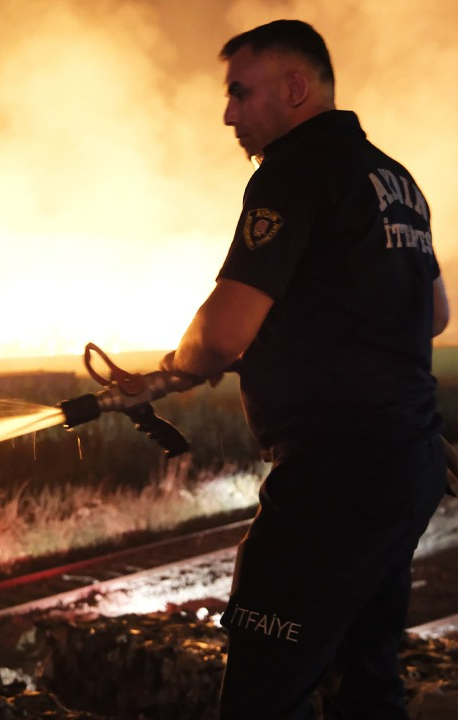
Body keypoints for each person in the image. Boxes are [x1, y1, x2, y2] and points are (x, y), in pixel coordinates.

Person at [158, 20, 448, 719]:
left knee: (265, 683)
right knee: (366, 675)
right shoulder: (396, 180)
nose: (228, 113)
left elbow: (223, 334)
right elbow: (433, 313)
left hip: (331, 483)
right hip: (401, 471)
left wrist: (171, 369)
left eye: (239, 92)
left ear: (295, 87)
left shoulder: (293, 171)